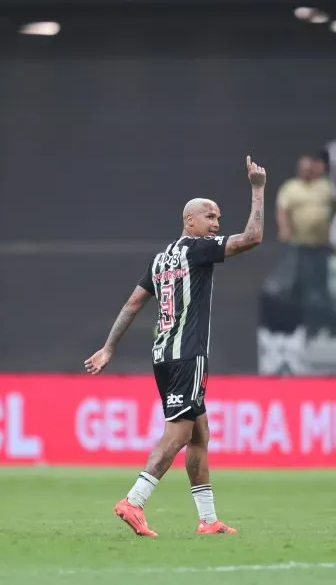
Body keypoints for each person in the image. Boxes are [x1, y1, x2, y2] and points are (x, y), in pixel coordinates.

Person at [84, 155, 267, 538]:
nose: (216, 224)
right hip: (187, 355)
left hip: (162, 356)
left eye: (218, 218)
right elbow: (252, 238)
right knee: (179, 434)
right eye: (211, 217)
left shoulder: (160, 259)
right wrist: (258, 188)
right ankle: (133, 501)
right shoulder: (198, 250)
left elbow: (133, 304)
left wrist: (109, 347)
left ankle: (207, 519)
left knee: (199, 433)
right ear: (190, 221)